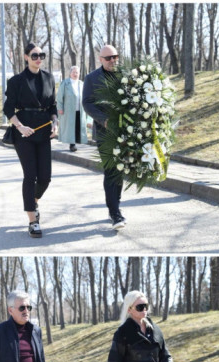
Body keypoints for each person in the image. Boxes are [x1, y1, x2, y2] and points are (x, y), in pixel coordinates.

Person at [3, 42, 58, 239]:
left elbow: (52, 106)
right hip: (24, 133)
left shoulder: (49, 78)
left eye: (41, 55)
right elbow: (8, 109)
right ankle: (32, 220)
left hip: (44, 132)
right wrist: (20, 127)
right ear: (26, 57)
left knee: (45, 178)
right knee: (30, 176)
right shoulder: (17, 80)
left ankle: (33, 200)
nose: (38, 59)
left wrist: (55, 123)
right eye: (34, 55)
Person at [83, 45, 126, 230]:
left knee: (120, 169)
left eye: (115, 57)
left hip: (126, 131)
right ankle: (115, 213)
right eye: (108, 58)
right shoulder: (92, 78)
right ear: (100, 59)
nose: (112, 61)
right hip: (104, 131)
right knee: (111, 170)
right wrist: (104, 120)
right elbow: (87, 103)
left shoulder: (126, 76)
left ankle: (115, 204)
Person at [57, 65, 89, 152]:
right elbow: (59, 97)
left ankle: (77, 141)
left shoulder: (82, 84)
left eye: (77, 72)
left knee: (78, 126)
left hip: (80, 109)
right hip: (68, 110)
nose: (75, 74)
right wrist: (60, 108)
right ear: (70, 73)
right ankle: (72, 145)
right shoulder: (65, 83)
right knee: (71, 127)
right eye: (74, 72)